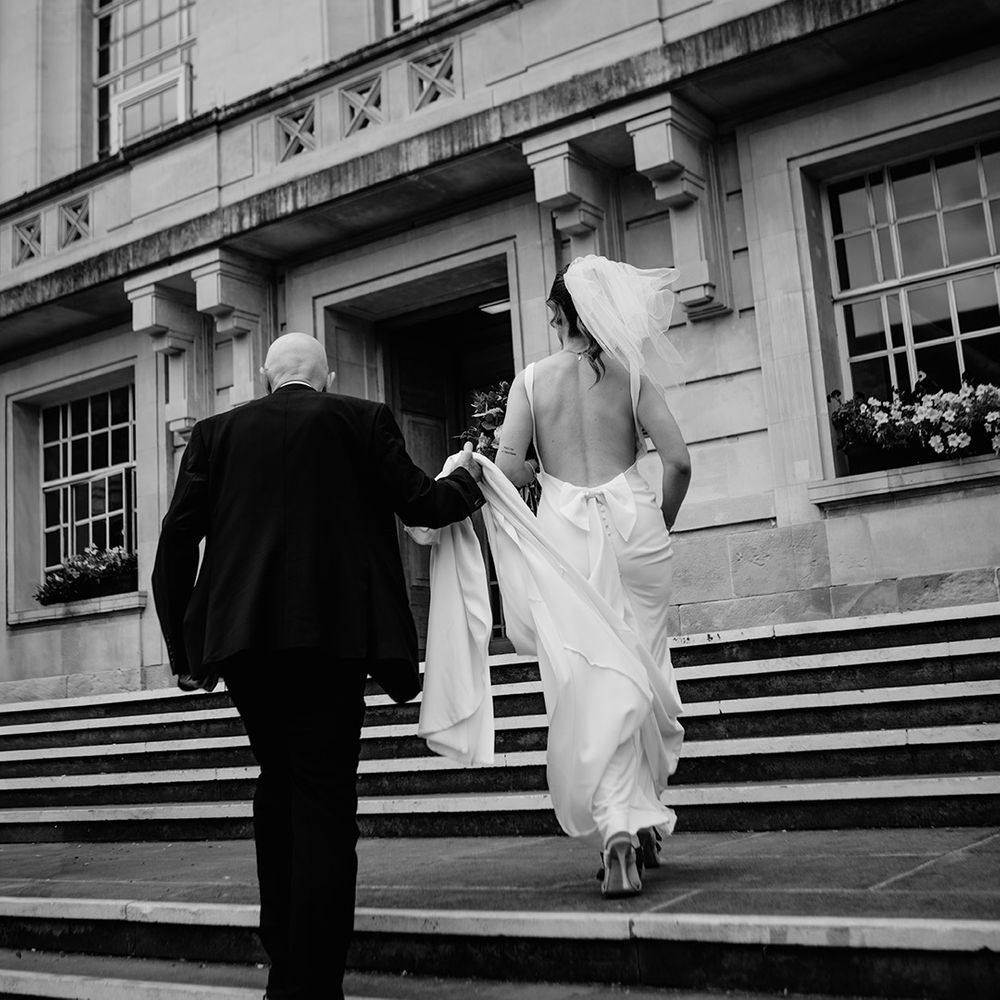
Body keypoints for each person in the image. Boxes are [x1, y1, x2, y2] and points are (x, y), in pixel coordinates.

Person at [151, 331, 484, 1000]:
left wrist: (183, 649)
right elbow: (421, 502)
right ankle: (312, 982)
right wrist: (476, 480)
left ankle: (285, 964)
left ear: (267, 378)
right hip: (333, 643)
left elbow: (175, 540)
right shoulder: (360, 419)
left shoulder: (215, 434)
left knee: (278, 784)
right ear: (326, 376)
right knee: (325, 802)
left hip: (243, 644)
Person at [494, 256, 690, 897]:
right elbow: (680, 462)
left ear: (557, 316)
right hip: (636, 526)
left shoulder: (532, 380)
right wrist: (660, 522)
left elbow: (509, 468)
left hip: (566, 538)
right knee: (643, 669)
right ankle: (641, 821)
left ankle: (618, 831)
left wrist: (537, 474)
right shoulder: (632, 376)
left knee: (588, 677)